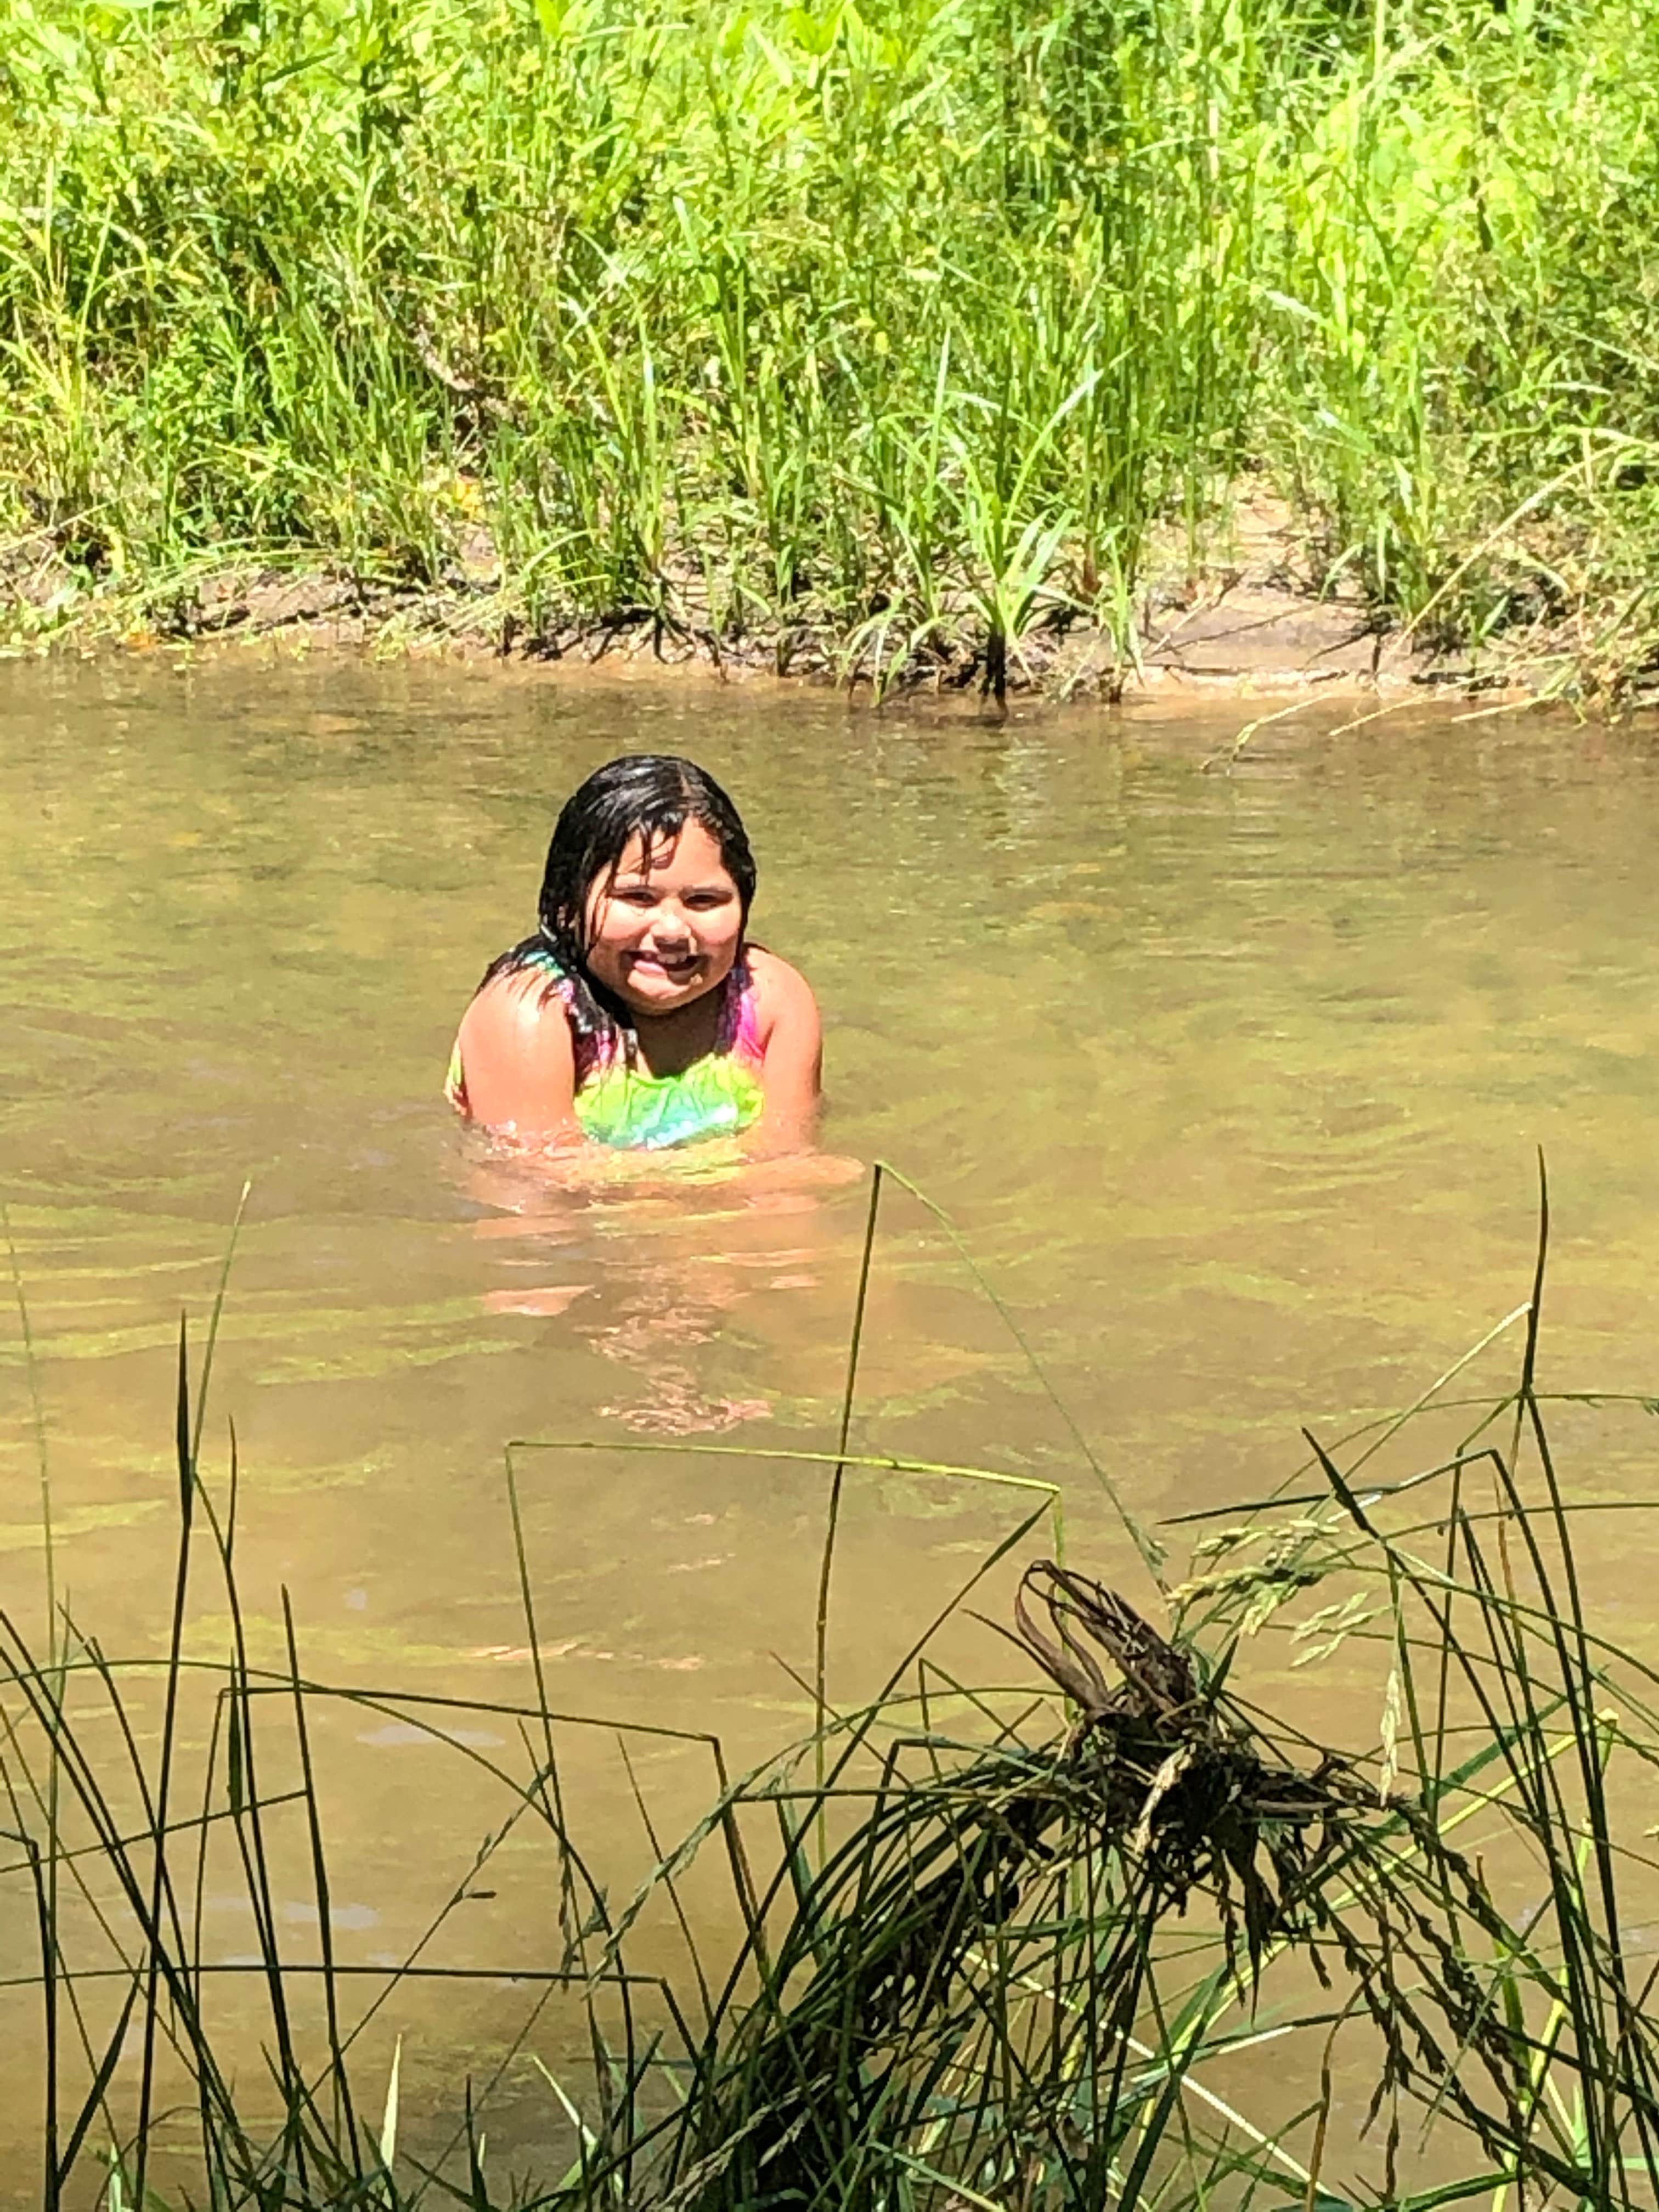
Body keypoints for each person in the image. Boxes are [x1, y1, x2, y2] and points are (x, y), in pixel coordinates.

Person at [447, 754, 822, 1154]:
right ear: (567, 907)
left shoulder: (770, 1001)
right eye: (637, 897)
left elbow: (786, 1165)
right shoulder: (529, 1011)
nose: (673, 931)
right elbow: (545, 1186)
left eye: (704, 900)